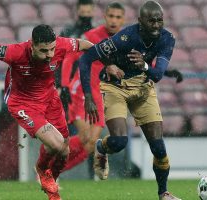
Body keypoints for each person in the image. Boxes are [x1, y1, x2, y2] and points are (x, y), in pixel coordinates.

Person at [0, 24, 93, 200]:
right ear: (32, 46)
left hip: (50, 99)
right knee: (57, 145)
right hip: (23, 104)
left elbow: (86, 45)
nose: (50, 55)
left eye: (52, 49)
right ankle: (49, 186)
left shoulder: (62, 44)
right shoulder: (15, 52)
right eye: (44, 51)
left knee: (64, 150)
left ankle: (48, 175)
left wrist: (108, 62)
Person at [61, 2, 183, 174]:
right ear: (105, 17)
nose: (113, 21)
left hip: (102, 92)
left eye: (118, 17)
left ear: (123, 19)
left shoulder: (126, 38)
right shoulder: (92, 35)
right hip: (82, 89)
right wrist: (64, 85)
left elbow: (142, 63)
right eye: (111, 16)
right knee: (85, 138)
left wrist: (168, 72)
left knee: (90, 144)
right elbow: (72, 59)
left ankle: (53, 170)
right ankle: (50, 159)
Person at [56, 0, 95, 114]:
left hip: (88, 85)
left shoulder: (97, 33)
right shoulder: (68, 32)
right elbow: (58, 58)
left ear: (93, 12)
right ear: (77, 12)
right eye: (83, 12)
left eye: (88, 12)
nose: (85, 15)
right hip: (66, 85)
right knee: (66, 121)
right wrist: (59, 85)